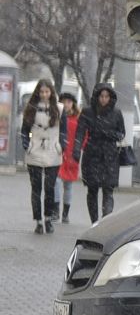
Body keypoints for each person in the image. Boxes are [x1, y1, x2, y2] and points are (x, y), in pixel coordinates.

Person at [18, 80, 64, 235]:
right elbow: (24, 131)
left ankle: (48, 219)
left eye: (47, 92)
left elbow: (63, 131)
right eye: (42, 92)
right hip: (35, 150)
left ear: (51, 92)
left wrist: (61, 145)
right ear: (38, 92)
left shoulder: (59, 108)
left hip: (53, 150)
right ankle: (38, 221)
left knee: (50, 188)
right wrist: (27, 144)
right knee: (36, 189)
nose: (44, 94)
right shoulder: (31, 108)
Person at [76, 84, 126, 224]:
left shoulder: (116, 113)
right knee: (92, 190)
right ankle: (94, 222)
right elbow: (80, 132)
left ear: (110, 98)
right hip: (92, 154)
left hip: (109, 156)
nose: (104, 99)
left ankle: (105, 222)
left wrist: (109, 134)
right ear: (97, 97)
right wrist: (76, 149)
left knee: (108, 190)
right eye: (101, 96)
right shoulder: (87, 112)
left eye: (106, 96)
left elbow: (121, 133)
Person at [56, 92, 82, 224]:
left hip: (72, 156)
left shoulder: (78, 119)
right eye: (63, 101)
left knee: (68, 186)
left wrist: (78, 150)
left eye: (69, 102)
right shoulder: (57, 116)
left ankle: (65, 213)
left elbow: (83, 136)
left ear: (73, 103)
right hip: (58, 153)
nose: (66, 104)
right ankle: (55, 211)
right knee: (56, 182)